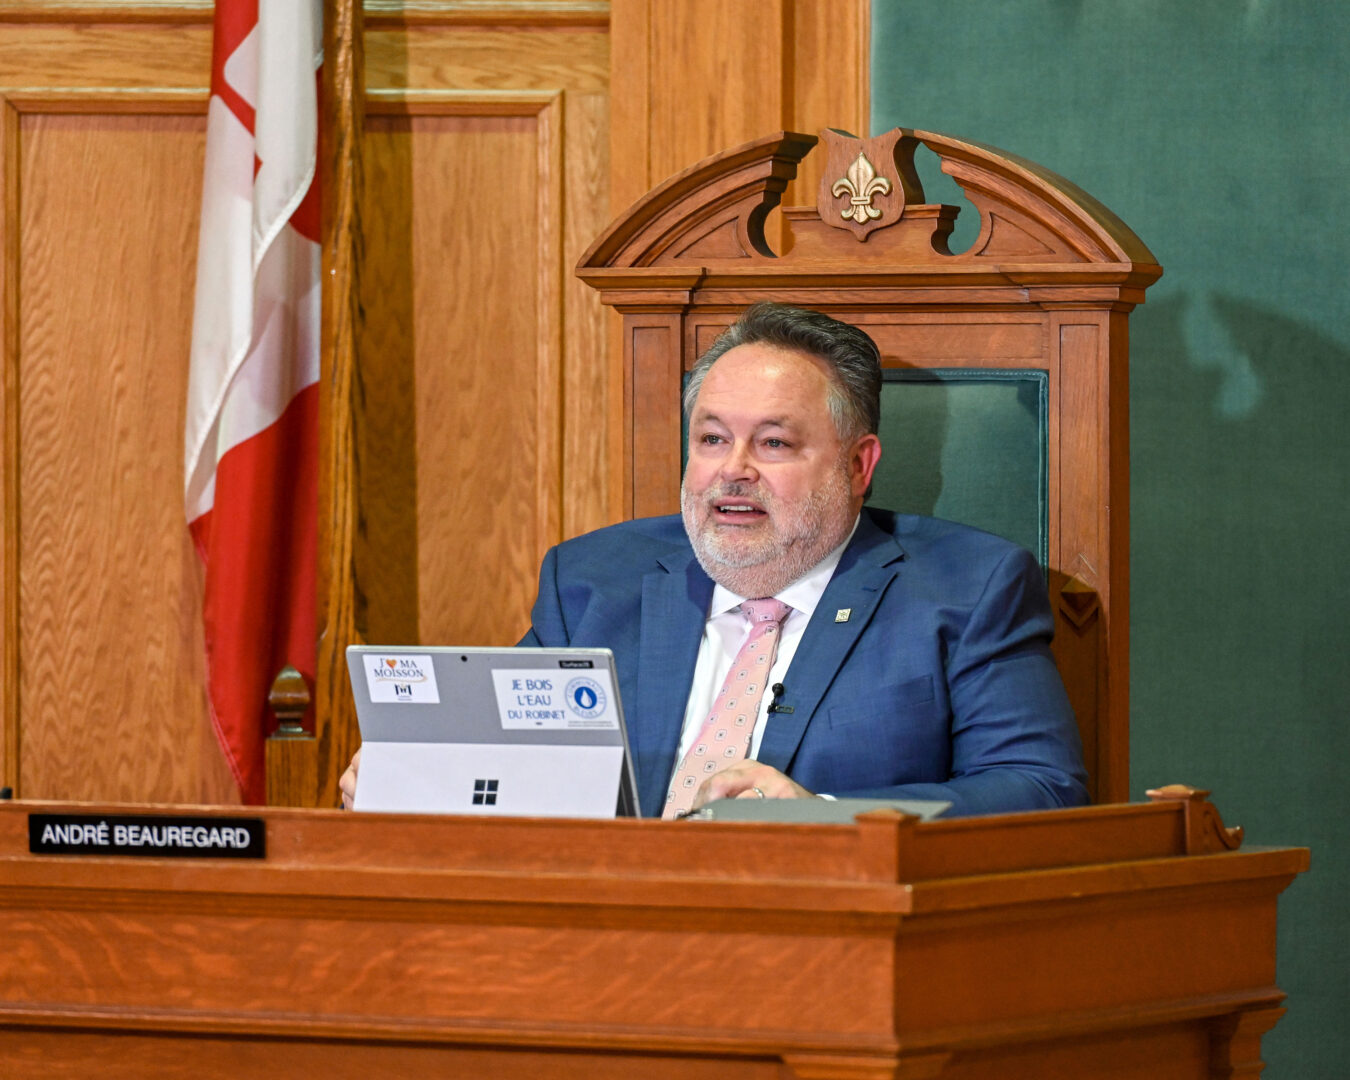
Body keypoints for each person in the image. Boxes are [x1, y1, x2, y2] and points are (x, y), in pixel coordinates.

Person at [341, 302, 1088, 817]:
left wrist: (822, 820)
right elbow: (517, 765)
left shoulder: (967, 588)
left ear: (859, 466)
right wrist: (417, 776)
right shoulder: (594, 581)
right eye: (710, 439)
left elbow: (1039, 788)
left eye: (773, 443)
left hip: (822, 947)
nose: (733, 470)